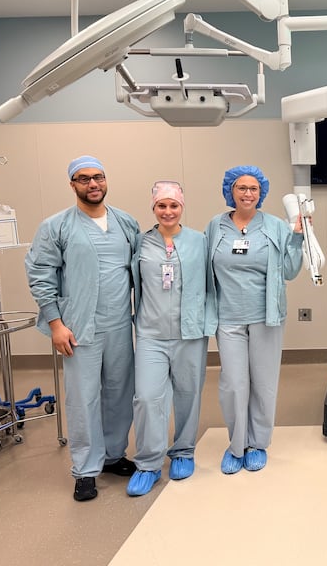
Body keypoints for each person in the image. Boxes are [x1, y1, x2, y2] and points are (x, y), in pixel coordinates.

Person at [25, 156, 140, 501]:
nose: (93, 184)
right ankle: (85, 470)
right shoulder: (56, 227)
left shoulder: (125, 222)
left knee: (120, 393)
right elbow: (40, 275)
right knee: (83, 398)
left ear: (106, 181)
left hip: (120, 324)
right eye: (84, 179)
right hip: (77, 328)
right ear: (72, 184)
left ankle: (113, 455)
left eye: (98, 177)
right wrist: (56, 324)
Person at [206, 165, 304, 474]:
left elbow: (289, 271)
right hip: (228, 317)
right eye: (241, 188)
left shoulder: (275, 226)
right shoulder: (215, 227)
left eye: (253, 188)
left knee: (263, 383)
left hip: (266, 316)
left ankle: (257, 444)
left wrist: (298, 239)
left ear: (261, 193)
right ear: (230, 192)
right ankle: (236, 446)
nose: (247, 193)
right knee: (234, 384)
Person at [126, 181, 215, 496]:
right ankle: (148, 463)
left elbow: (210, 283)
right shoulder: (140, 242)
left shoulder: (199, 241)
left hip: (189, 331)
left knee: (188, 393)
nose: (168, 211)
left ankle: (183, 451)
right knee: (148, 398)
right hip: (150, 333)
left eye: (173, 205)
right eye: (161, 206)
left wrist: (210, 321)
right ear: (153, 208)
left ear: (182, 207)